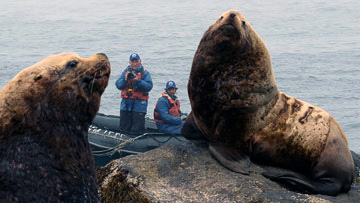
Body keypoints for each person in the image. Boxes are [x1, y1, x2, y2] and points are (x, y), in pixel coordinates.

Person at [115, 53, 153, 134]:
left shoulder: (145, 73)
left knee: (137, 128)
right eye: (133, 61)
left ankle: (137, 144)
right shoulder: (126, 72)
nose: (134, 63)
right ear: (130, 62)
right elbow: (118, 85)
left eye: (136, 61)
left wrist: (138, 81)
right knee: (124, 127)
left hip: (139, 105)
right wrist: (125, 80)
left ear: (140, 61)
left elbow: (149, 86)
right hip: (126, 104)